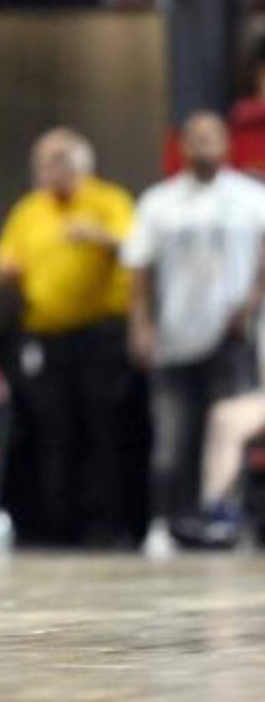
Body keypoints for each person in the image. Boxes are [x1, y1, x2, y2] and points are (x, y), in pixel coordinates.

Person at [122, 113, 265, 551]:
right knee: (171, 442)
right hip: (176, 337)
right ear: (182, 145)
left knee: (227, 431)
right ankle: (166, 523)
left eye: (214, 138)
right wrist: (141, 325)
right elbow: (138, 269)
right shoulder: (158, 202)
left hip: (232, 338)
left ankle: (225, 522)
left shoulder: (251, 197)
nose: (206, 146)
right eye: (197, 139)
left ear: (226, 144)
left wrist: (251, 303)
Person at [0, 127, 138, 547]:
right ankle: (56, 523)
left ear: (80, 164)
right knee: (52, 430)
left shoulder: (108, 201)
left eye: (59, 161)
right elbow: (6, 259)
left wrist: (100, 236)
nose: (50, 171)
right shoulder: (29, 210)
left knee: (102, 431)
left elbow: (136, 247)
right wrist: (0, 271)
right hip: (46, 337)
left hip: (99, 335)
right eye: (43, 163)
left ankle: (104, 526)